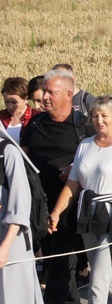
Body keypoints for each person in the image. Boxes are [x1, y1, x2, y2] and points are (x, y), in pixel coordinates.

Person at [47, 95, 112, 304]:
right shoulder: (85, 145)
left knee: (97, 284)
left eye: (104, 115)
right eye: (94, 116)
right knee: (106, 277)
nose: (99, 120)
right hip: (88, 214)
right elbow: (73, 184)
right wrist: (56, 213)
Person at [20, 69, 95, 304]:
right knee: (53, 262)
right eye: (44, 92)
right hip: (39, 206)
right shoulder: (35, 124)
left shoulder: (85, 126)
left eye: (51, 92)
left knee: (61, 263)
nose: (44, 97)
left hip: (71, 207)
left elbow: (104, 159)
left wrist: (77, 167)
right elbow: (24, 158)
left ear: (68, 95)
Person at [0, 124, 44, 303]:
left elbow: (20, 205)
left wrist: (4, 249)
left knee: (14, 294)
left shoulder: (8, 152)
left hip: (11, 239)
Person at [1, 77, 40, 143]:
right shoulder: (1, 116)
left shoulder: (36, 118)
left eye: (14, 102)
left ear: (26, 99)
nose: (10, 106)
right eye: (6, 102)